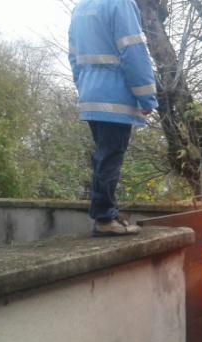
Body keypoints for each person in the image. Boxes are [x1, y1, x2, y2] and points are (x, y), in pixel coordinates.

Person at [68, 0, 158, 236]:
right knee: (110, 157)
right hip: (115, 96)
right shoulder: (120, 4)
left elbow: (74, 57)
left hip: (92, 95)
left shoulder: (81, 8)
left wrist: (85, 87)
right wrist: (147, 96)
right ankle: (105, 217)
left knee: (103, 156)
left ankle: (106, 213)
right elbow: (133, 52)